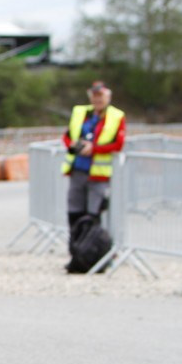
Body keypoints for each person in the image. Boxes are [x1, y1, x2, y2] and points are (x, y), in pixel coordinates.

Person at [61, 81, 126, 254]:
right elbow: (67, 137)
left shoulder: (116, 116)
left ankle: (92, 252)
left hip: (99, 174)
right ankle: (75, 250)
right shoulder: (80, 113)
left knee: (93, 214)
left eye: (101, 96)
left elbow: (118, 144)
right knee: (74, 211)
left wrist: (94, 149)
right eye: (95, 96)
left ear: (108, 97)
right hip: (78, 170)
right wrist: (75, 146)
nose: (98, 100)